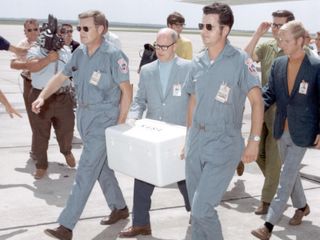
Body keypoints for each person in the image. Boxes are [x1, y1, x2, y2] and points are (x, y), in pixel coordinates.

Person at [32, 10, 132, 240]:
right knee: (102, 168)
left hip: (105, 120)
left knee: (85, 172)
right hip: (85, 117)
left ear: (101, 29)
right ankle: (119, 208)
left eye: (86, 28)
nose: (81, 32)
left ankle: (66, 226)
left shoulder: (114, 56)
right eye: (79, 28)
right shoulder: (80, 54)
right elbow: (61, 78)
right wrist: (42, 96)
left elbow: (127, 91)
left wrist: (120, 124)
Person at [184, 3, 264, 239]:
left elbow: (257, 102)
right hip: (196, 141)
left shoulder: (240, 60)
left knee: (202, 209)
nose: (203, 30)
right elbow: (192, 100)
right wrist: (188, 138)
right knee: (195, 211)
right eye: (201, 25)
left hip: (224, 142)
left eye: (209, 26)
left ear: (225, 30)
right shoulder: (197, 61)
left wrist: (254, 141)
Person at [119, 28, 191, 238]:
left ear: (175, 46)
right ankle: (140, 223)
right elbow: (140, 100)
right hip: (152, 133)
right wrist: (133, 118)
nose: (159, 50)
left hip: (178, 135)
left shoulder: (189, 68)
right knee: (143, 176)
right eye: (157, 46)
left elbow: (195, 102)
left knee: (186, 179)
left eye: (164, 46)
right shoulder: (148, 70)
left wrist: (191, 131)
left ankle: (197, 214)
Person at [251, 20, 320, 240]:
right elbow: (269, 93)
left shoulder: (316, 66)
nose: (282, 43)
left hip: (303, 130)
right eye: (280, 39)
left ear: (301, 41)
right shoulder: (279, 64)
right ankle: (302, 207)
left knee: (285, 175)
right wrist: (256, 105)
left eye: (286, 40)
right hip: (281, 128)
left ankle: (268, 225)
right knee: (291, 174)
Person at [244, 9, 295, 215]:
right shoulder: (268, 46)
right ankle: (281, 185)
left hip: (283, 113)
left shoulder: (296, 51)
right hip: (263, 108)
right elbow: (245, 57)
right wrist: (258, 34)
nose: (274, 28)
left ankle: (266, 201)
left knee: (273, 157)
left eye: (278, 25)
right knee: (257, 154)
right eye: (273, 24)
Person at [10, 18, 40, 160]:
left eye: (36, 29)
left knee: (47, 119)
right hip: (29, 83)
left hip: (46, 85)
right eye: (30, 30)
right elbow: (13, 63)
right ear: (25, 31)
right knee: (34, 118)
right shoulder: (22, 45)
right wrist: (28, 65)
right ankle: (36, 150)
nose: (33, 32)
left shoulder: (45, 43)